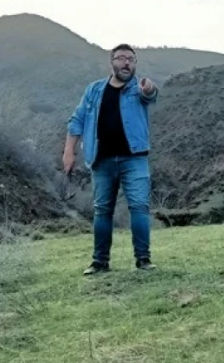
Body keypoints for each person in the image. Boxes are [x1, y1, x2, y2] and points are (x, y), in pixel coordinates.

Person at [64, 43, 159, 274]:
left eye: (131, 59)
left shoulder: (138, 89)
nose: (126, 62)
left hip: (134, 159)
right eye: (121, 58)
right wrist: (69, 152)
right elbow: (77, 120)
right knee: (102, 210)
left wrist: (149, 89)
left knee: (139, 207)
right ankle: (99, 263)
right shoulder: (94, 90)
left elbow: (151, 95)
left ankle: (143, 260)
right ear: (112, 62)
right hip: (101, 160)